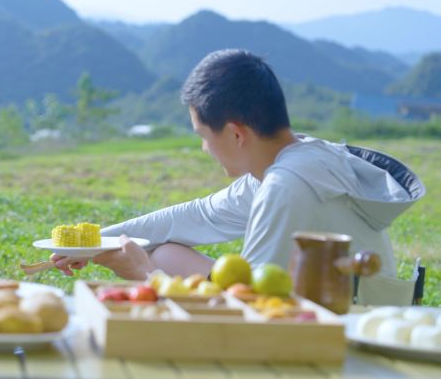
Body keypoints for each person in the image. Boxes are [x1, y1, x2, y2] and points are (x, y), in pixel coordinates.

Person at [52, 49, 425, 304]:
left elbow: (250, 312)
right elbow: (199, 216)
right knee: (167, 249)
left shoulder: (287, 186)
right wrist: (99, 241)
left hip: (346, 327)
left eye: (203, 136)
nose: (204, 149)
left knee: (159, 260)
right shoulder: (297, 157)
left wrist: (143, 274)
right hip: (328, 305)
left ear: (235, 133)